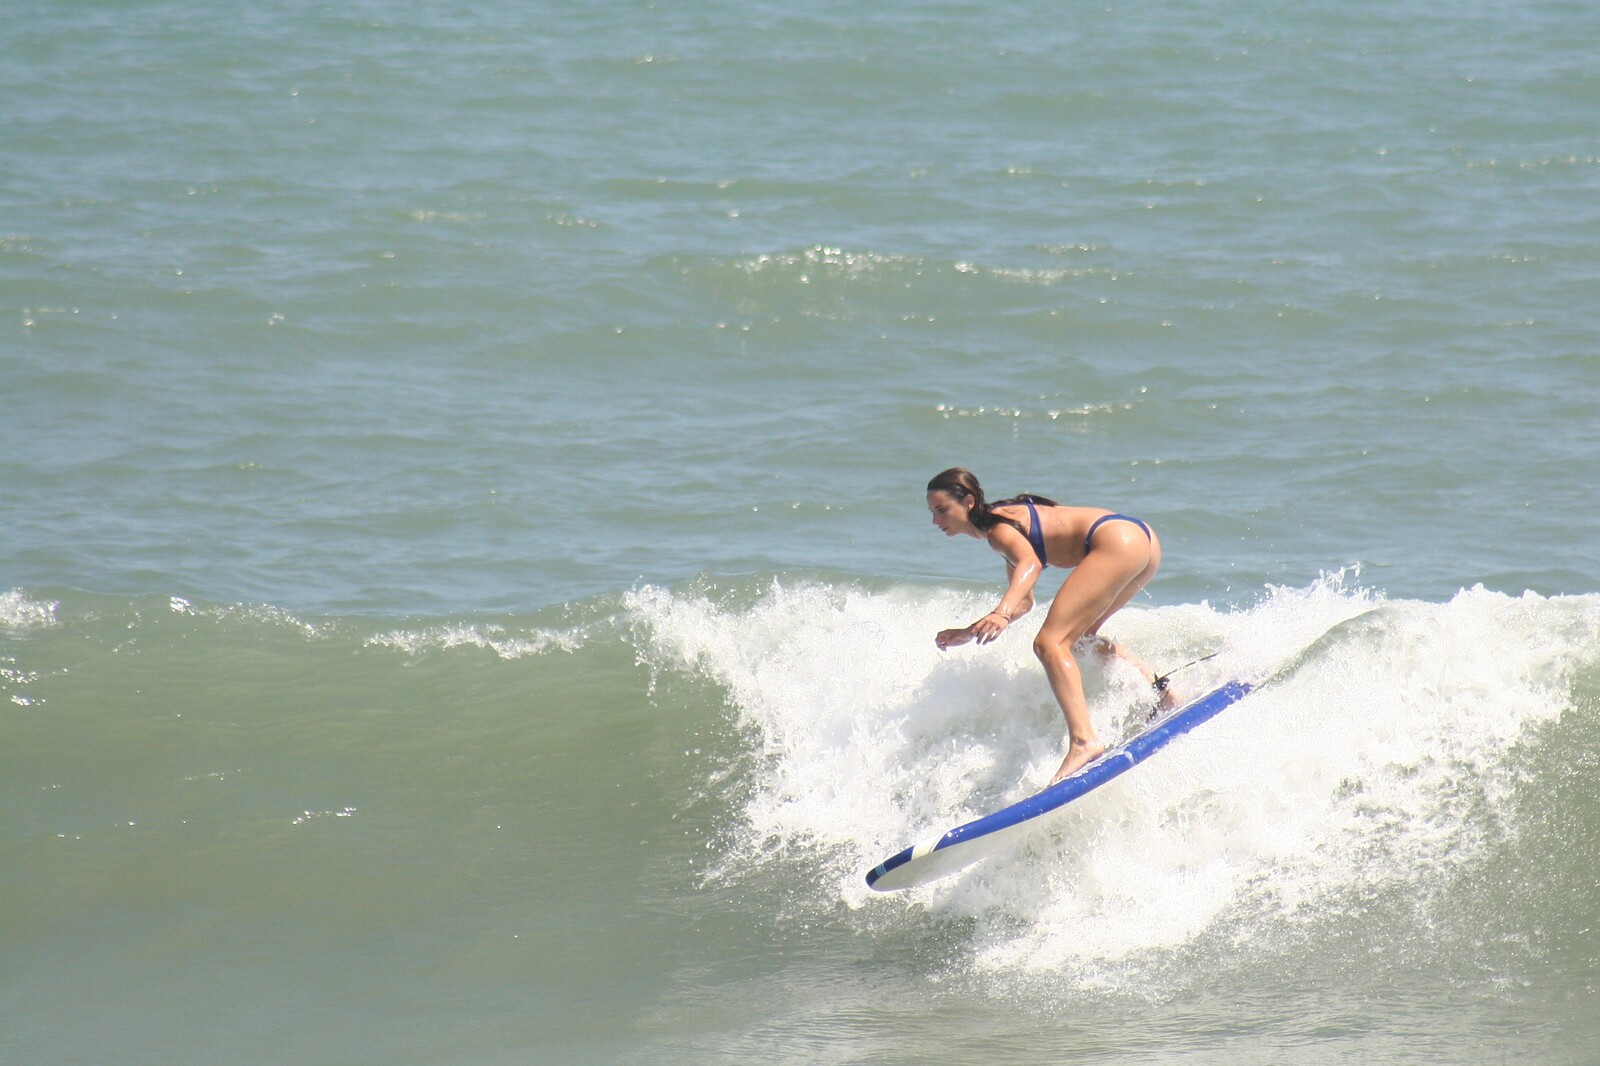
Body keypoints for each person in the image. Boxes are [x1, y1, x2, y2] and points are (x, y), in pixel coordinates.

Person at [926, 467, 1172, 786]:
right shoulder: (1003, 524)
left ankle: (1084, 742)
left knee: (1049, 644)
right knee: (1080, 639)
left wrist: (1001, 612)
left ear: (969, 502)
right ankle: (1161, 695)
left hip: (1115, 541)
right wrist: (970, 631)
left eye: (942, 510)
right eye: (932, 512)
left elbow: (1030, 565)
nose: (936, 521)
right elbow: (1024, 601)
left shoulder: (999, 531)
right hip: (1141, 540)